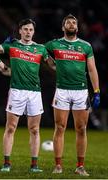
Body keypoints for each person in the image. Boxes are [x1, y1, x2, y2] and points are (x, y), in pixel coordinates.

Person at [45, 14, 100, 176]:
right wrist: (49, 61)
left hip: (81, 91)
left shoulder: (86, 46)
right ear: (63, 27)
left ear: (77, 27)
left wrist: (96, 91)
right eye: (68, 22)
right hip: (61, 90)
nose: (71, 24)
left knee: (81, 128)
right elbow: (38, 50)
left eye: (74, 22)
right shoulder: (54, 44)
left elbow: (91, 69)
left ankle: (80, 166)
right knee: (60, 127)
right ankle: (58, 166)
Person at [0, 18, 49, 172]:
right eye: (25, 29)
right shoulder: (12, 45)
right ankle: (6, 163)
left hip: (35, 92)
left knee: (34, 129)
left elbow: (52, 64)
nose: (28, 32)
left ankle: (34, 165)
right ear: (19, 31)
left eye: (31, 30)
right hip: (17, 91)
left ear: (34, 32)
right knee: (11, 127)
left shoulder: (40, 49)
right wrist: (1, 66)